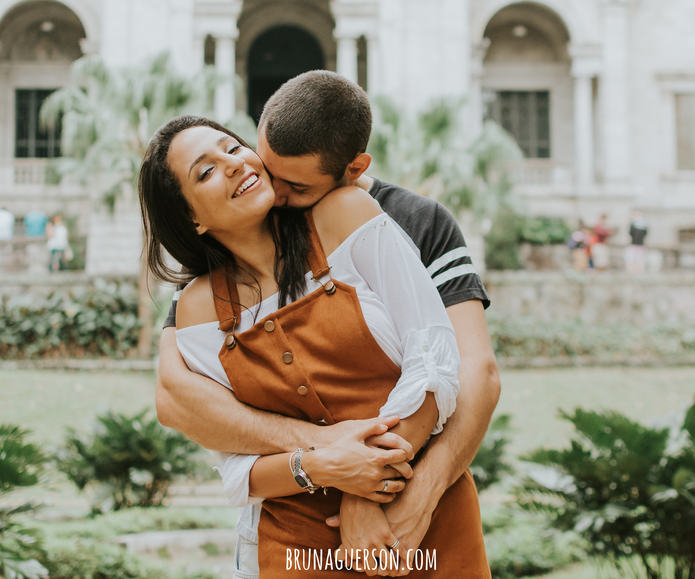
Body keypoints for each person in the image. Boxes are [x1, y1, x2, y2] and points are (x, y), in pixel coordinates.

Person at [150, 72, 497, 579]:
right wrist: (324, 463)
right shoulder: (200, 304)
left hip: (422, 521)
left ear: (353, 170)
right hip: (296, 543)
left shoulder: (371, 217)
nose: (250, 172)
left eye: (232, 149)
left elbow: (453, 367)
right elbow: (195, 418)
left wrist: (376, 490)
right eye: (206, 172)